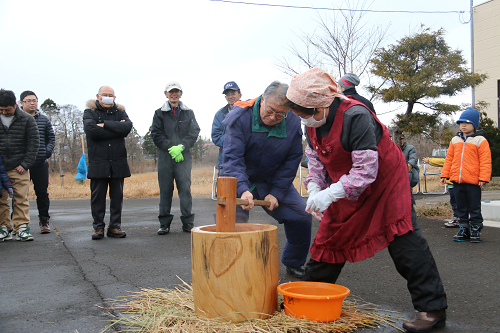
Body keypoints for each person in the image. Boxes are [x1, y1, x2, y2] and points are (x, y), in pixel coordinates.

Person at [283, 68, 447, 333]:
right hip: (345, 183)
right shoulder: (311, 122)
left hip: (384, 182)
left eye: (306, 113)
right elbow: (314, 159)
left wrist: (331, 193)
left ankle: (432, 309)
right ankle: (307, 299)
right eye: (300, 114)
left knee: (403, 241)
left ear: (323, 102)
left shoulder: (356, 116)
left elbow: (365, 172)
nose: (304, 120)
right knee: (329, 238)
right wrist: (315, 188)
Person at [219, 81, 312, 279]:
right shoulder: (239, 117)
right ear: (262, 100)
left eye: (280, 114)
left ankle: (294, 263)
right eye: (270, 110)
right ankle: (226, 265)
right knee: (233, 221)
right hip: (238, 177)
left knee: (301, 217)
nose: (273, 117)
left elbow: (292, 159)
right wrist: (243, 190)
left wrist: (277, 192)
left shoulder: (293, 121)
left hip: (272, 178)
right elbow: (232, 159)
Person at [83, 86, 132, 240]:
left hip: (117, 161)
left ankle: (115, 227)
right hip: (99, 161)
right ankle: (98, 228)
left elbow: (127, 127)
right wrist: (116, 129)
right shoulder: (89, 112)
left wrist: (104, 125)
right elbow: (91, 130)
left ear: (115, 98)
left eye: (110, 95)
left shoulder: (120, 112)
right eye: (104, 95)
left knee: (117, 196)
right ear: (98, 96)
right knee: (98, 197)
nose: (107, 97)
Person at [151, 81, 200, 234]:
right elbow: (155, 133)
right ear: (166, 94)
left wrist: (182, 146)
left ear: (181, 94)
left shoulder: (188, 112)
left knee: (185, 189)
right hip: (166, 156)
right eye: (171, 92)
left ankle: (187, 222)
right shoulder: (159, 113)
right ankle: (164, 224)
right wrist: (170, 147)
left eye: (176, 92)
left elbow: (194, 131)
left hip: (183, 157)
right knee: (165, 190)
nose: (174, 94)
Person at [440, 107, 492, 243]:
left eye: (467, 123)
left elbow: (485, 161)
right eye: (461, 123)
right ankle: (463, 228)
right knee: (460, 206)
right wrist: (445, 175)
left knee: (474, 206)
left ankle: (475, 228)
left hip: (474, 181)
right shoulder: (455, 140)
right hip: (457, 181)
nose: (463, 125)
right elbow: (449, 159)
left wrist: (483, 178)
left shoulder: (480, 140)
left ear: (474, 125)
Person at [0, 89, 39, 242]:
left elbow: (34, 143)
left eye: (7, 109)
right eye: (1, 109)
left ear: (15, 105)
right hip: (1, 167)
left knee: (21, 197)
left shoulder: (27, 119)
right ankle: (4, 227)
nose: (4, 112)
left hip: (19, 167)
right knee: (1, 198)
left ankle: (22, 227)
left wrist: (25, 163)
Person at [20, 90, 56, 234]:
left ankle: (44, 221)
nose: (32, 103)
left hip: (40, 162)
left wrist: (46, 153)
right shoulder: (17, 119)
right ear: (21, 103)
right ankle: (19, 224)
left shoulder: (44, 119)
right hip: (21, 164)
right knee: (20, 194)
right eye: (28, 101)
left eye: (34, 100)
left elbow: (51, 138)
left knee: (42, 193)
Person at [211, 81, 242, 169]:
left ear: (240, 95)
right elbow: (216, 138)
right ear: (225, 97)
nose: (230, 97)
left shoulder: (249, 111)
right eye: (228, 95)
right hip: (226, 159)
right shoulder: (220, 114)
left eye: (233, 93)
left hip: (246, 158)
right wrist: (233, 138)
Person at [422, 157, 459, 228]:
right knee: (455, 202)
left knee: (456, 202)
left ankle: (458, 218)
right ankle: (459, 218)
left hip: (454, 182)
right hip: (452, 182)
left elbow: (444, 162)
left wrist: (429, 160)